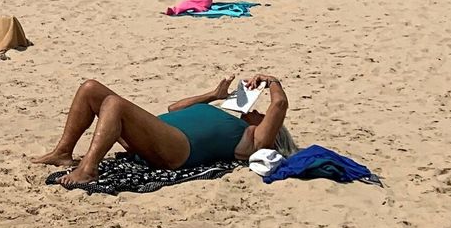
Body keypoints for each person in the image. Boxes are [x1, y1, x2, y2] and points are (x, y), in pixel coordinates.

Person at [34, 73, 292, 186]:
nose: (257, 111)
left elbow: (279, 103)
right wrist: (214, 95)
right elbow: (175, 107)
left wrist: (271, 80)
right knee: (91, 87)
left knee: (114, 103)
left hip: (176, 150)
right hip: (157, 133)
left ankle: (88, 168)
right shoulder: (226, 115)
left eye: (261, 114)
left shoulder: (254, 138)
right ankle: (63, 152)